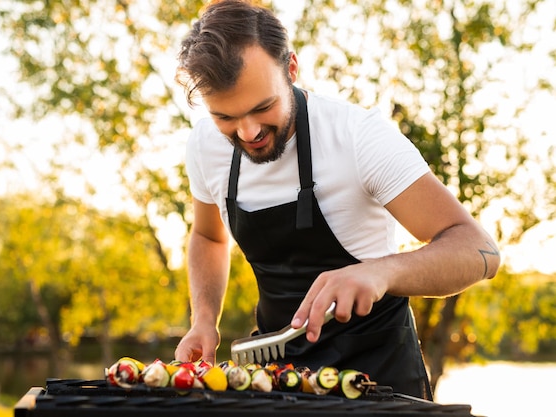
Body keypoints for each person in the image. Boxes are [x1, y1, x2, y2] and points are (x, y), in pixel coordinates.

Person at [173, 0, 500, 400]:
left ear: (291, 69)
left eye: (263, 107)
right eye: (225, 117)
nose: (248, 132)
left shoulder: (359, 137)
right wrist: (204, 319)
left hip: (382, 381)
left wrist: (380, 273)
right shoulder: (205, 146)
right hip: (278, 383)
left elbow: (480, 249)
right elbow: (208, 238)